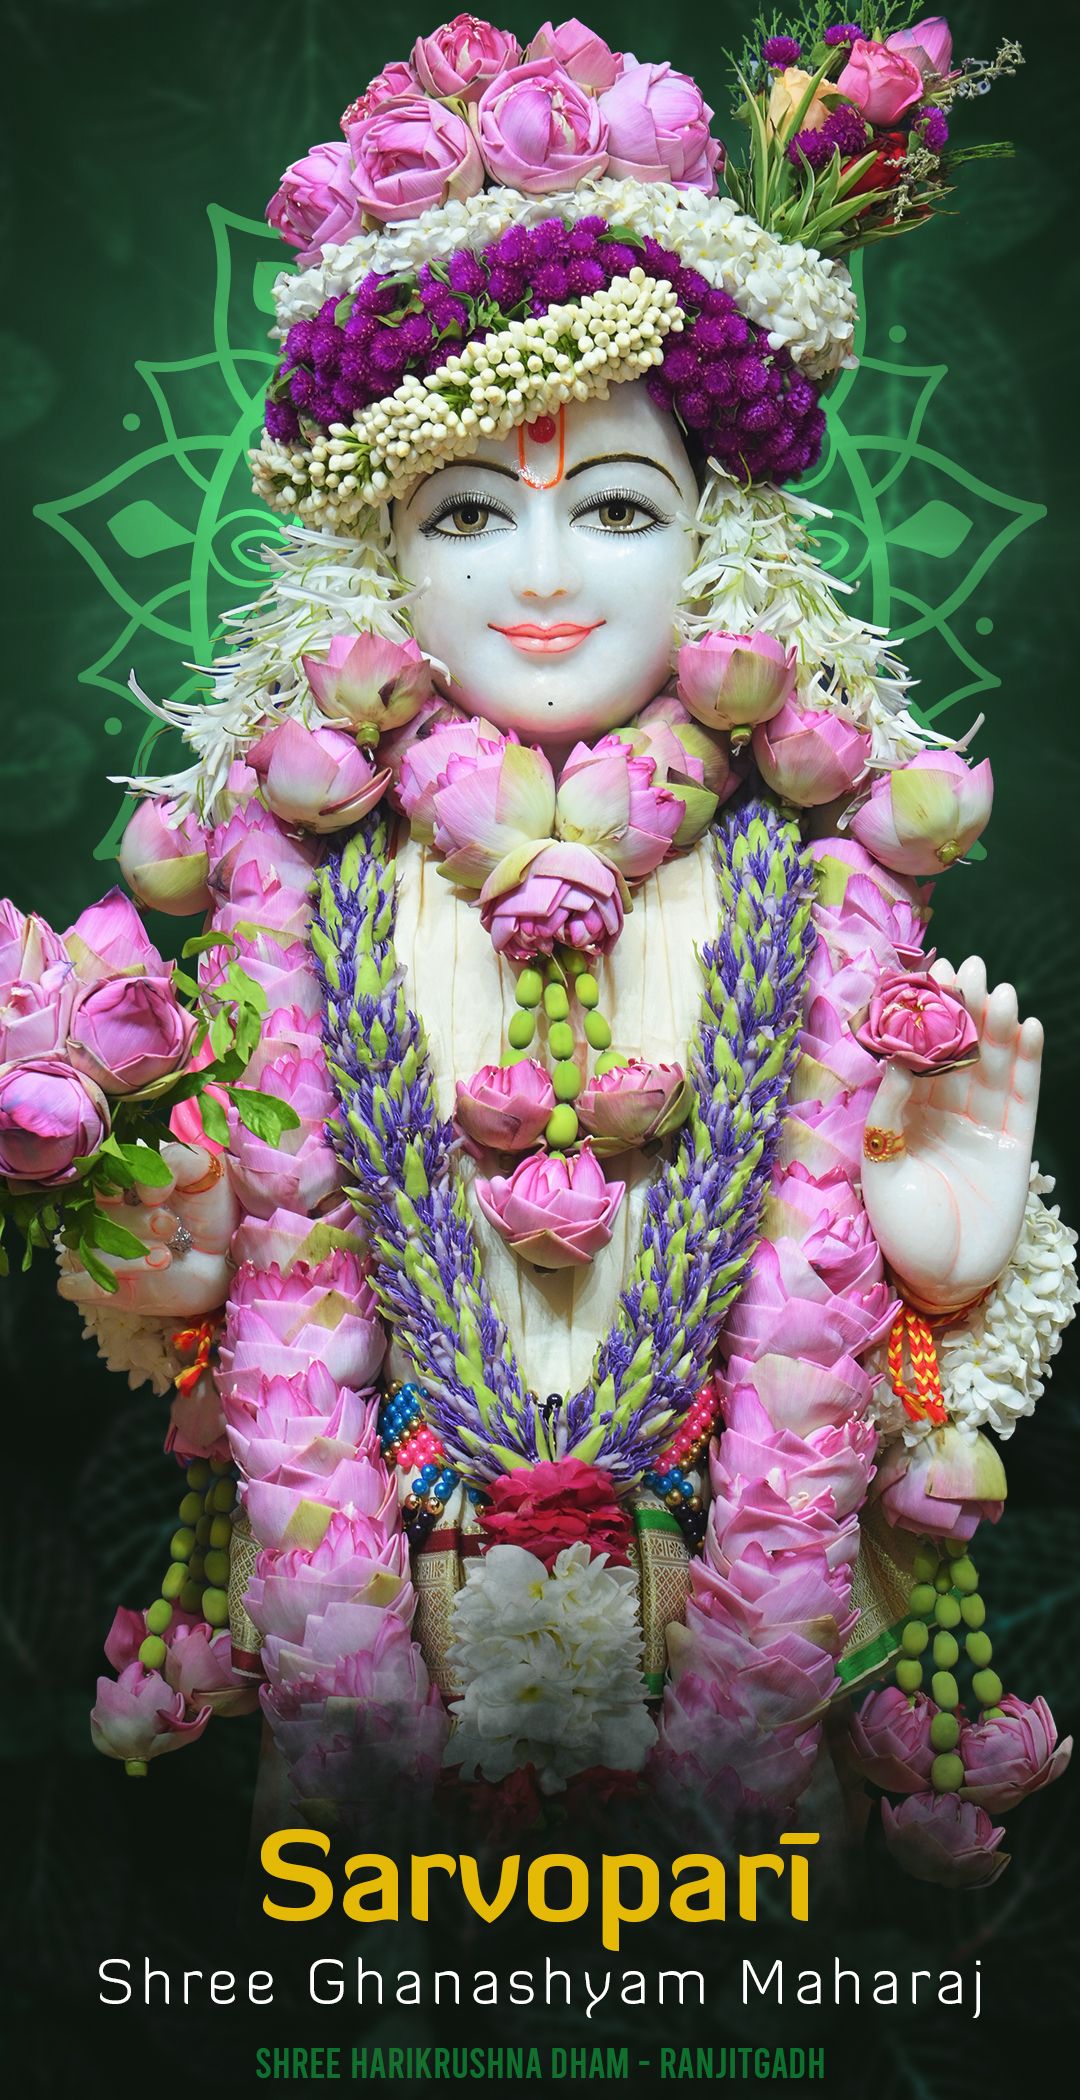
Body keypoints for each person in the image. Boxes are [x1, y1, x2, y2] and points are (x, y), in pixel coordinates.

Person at [33, 17, 1072, 1874]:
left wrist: (942, 1272)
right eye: (466, 513)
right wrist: (171, 1269)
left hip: (739, 1608)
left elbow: (857, 1310)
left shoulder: (822, 872)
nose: (540, 578)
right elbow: (257, 1285)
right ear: (377, 560)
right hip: (384, 1616)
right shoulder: (299, 873)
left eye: (614, 507)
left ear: (725, 546)